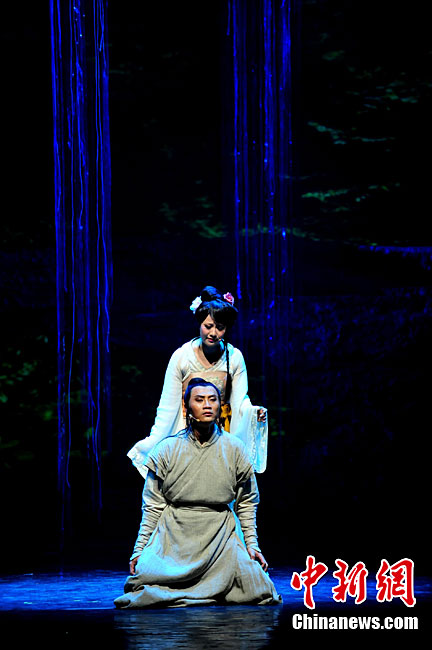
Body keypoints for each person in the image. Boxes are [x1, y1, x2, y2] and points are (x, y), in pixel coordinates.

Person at [114, 378, 281, 608]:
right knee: (143, 580)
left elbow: (247, 502)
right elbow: (152, 506)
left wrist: (252, 545)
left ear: (220, 406)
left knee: (260, 588)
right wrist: (140, 548)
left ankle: (207, 585)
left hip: (221, 534)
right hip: (175, 535)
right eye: (199, 400)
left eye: (213, 400)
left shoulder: (235, 448)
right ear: (187, 407)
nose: (207, 405)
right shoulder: (167, 449)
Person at [127, 286, 268, 478]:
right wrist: (156, 439)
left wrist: (254, 413)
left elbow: (240, 401)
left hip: (220, 431)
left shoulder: (234, 357)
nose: (213, 333)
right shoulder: (182, 357)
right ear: (199, 323)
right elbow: (168, 405)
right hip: (187, 431)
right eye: (208, 326)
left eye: (220, 327)